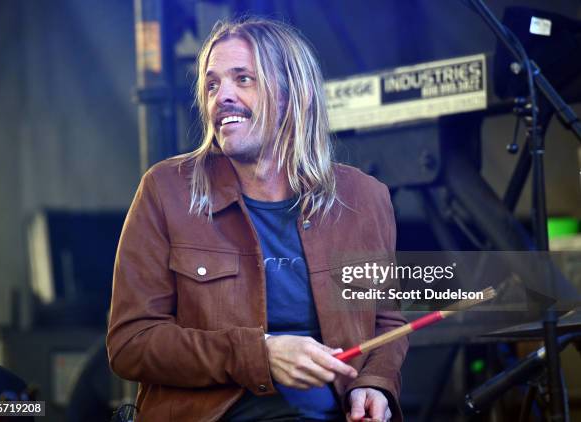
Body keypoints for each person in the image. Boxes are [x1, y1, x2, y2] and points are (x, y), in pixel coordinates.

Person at [107, 17, 408, 422]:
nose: (221, 97)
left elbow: (386, 322)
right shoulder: (166, 190)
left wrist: (375, 383)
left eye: (243, 79)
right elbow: (131, 343)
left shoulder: (365, 198)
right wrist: (259, 354)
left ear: (293, 95)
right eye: (212, 85)